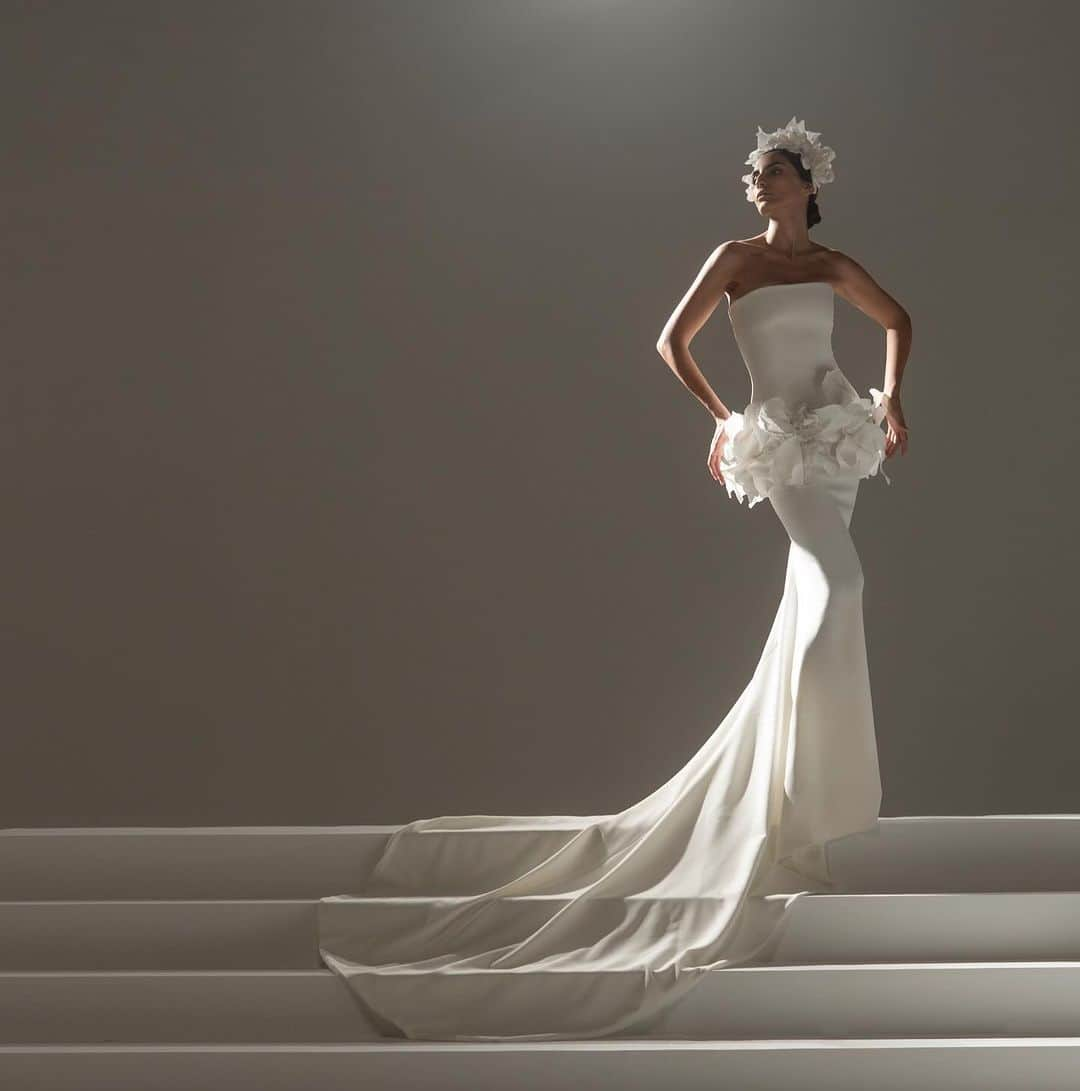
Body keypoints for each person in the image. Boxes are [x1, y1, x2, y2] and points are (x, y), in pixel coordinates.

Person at [316, 117, 912, 1042]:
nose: (756, 183)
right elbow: (673, 342)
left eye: (773, 172)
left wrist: (891, 398)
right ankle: (793, 790)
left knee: (820, 596)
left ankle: (800, 791)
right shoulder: (733, 258)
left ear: (807, 181)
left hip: (834, 433)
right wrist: (724, 421)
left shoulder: (832, 265)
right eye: (753, 173)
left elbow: (897, 321)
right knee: (835, 591)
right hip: (781, 443)